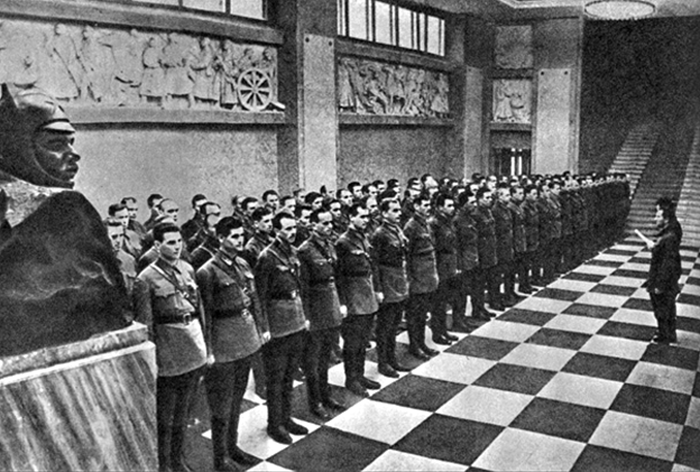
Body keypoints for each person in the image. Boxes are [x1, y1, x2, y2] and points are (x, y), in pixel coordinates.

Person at [196, 217, 269, 471]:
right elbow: (205, 315)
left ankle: (233, 447)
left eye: (241, 236)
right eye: (234, 236)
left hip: (245, 338)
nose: (239, 240)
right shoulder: (207, 271)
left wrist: (260, 329)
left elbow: (254, 299)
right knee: (221, 405)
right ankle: (220, 458)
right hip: (223, 343)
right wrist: (209, 350)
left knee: (237, 400)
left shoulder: (242, 263)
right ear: (220, 238)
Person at [138, 222, 209, 472]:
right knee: (166, 417)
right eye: (170, 242)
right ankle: (164, 464)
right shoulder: (146, 279)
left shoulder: (187, 269)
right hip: (168, 352)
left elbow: (199, 309)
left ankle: (178, 460)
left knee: (183, 413)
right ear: (157, 245)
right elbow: (147, 325)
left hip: (191, 346)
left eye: (179, 241)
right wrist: (153, 361)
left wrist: (204, 345)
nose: (177, 246)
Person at [254, 212, 309, 444]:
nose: (292, 232)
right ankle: (274, 424)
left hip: (295, 317)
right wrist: (264, 326)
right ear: (276, 231)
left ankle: (287, 418)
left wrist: (304, 316)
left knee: (289, 375)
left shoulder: (293, 252)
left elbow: (300, 285)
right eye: (287, 229)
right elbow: (259, 295)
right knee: (275, 377)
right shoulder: (267, 257)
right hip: (277, 322)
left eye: (293, 227)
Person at [298, 209, 346, 419]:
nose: (329, 227)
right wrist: (307, 316)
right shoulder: (305, 250)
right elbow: (304, 287)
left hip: (329, 304)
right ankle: (315, 401)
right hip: (315, 308)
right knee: (313, 360)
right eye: (324, 223)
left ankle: (326, 395)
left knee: (326, 356)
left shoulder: (329, 245)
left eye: (330, 223)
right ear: (313, 225)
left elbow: (336, 275)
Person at [336, 203, 383, 397]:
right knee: (353, 341)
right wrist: (343, 302)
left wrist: (377, 289)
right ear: (351, 218)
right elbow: (339, 276)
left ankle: (360, 375)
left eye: (367, 216)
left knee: (363, 339)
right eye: (362, 216)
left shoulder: (364, 238)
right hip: (353, 295)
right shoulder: (343, 242)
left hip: (366, 292)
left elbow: (372, 265)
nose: (366, 220)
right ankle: (351, 379)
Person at [639, 198, 682, 344]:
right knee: (667, 307)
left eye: (658, 215)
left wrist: (660, 284)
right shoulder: (672, 230)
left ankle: (665, 335)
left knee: (662, 308)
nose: (654, 218)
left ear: (666, 218)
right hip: (668, 276)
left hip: (662, 277)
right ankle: (668, 333)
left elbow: (667, 262)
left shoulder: (669, 236)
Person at [404, 193, 441, 354]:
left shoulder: (425, 223)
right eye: (424, 205)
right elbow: (407, 255)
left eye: (428, 205)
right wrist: (410, 279)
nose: (427, 208)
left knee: (423, 313)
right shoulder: (411, 226)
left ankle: (422, 343)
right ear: (416, 206)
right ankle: (414, 346)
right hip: (417, 276)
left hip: (427, 274)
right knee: (414, 314)